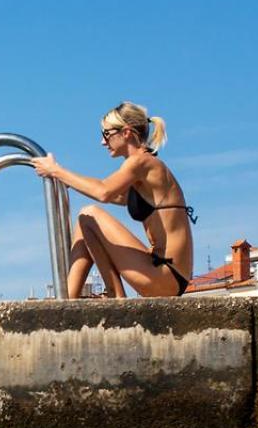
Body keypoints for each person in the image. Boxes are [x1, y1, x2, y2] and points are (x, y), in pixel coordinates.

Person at [32, 101, 196, 298]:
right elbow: (111, 192)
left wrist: (56, 171)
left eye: (106, 134)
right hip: (162, 272)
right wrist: (68, 180)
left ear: (125, 132)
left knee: (88, 214)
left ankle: (114, 296)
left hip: (166, 276)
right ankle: (66, 300)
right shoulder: (143, 168)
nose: (103, 142)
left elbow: (103, 192)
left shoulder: (141, 162)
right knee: (85, 227)